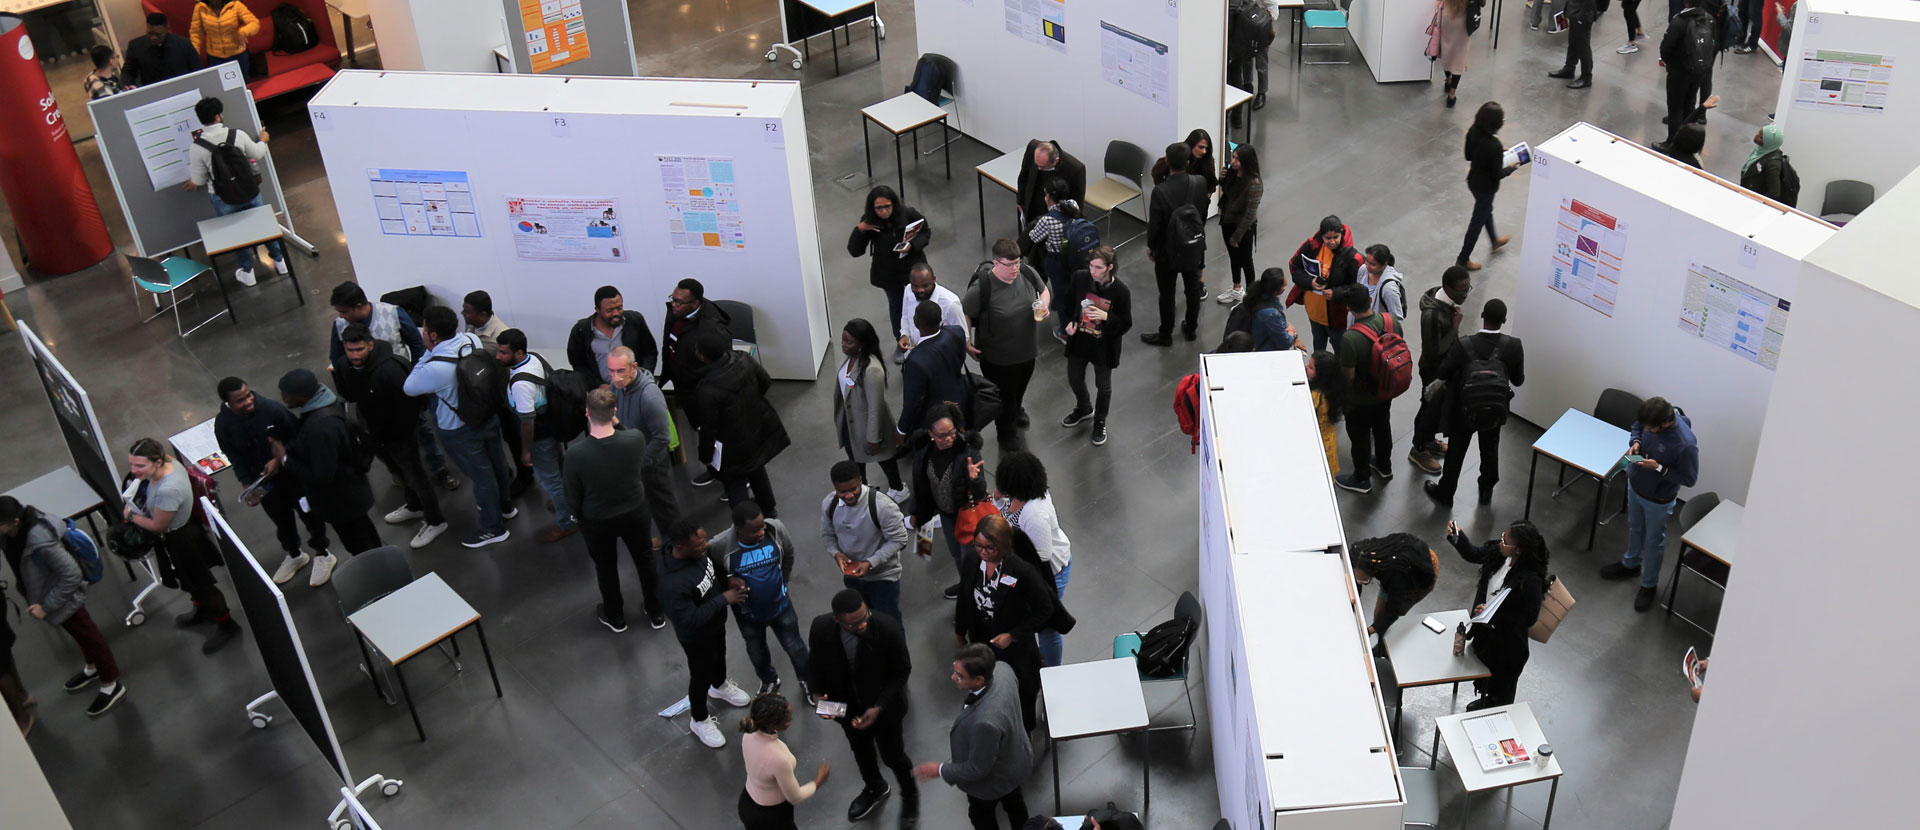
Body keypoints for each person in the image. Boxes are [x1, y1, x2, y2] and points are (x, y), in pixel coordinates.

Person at [0, 497, 126, 717]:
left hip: (61, 597)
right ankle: (93, 667)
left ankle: (111, 682)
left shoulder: (40, 540)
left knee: (89, 635)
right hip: (47, 594)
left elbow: (71, 575)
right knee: (78, 633)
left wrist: (46, 607)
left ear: (15, 521)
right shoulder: (11, 534)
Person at [405, 307, 516, 548]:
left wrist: (426, 354)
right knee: (498, 463)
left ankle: (493, 528)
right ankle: (506, 506)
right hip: (487, 415)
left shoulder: (436, 367)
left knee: (481, 477)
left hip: (459, 429)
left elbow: (409, 386)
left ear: (433, 335)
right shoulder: (471, 339)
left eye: (425, 330)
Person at [332, 326, 448, 550]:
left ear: (371, 345)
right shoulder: (343, 366)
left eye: (359, 349)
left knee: (416, 475)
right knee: (397, 471)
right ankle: (414, 506)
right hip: (373, 432)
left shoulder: (391, 369)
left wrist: (396, 434)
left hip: (399, 434)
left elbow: (410, 407)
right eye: (350, 350)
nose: (354, 355)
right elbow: (348, 394)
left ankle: (436, 520)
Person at [808, 590, 917, 828]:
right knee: (860, 749)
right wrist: (816, 694)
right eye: (854, 623)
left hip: (884, 708)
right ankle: (875, 787)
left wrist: (879, 706)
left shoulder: (886, 628)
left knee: (893, 755)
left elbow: (902, 670)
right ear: (838, 620)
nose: (863, 623)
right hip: (846, 708)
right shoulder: (820, 627)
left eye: (864, 616)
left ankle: (910, 796)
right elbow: (814, 664)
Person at [125, 439, 243, 654]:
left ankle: (227, 624)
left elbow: (157, 524)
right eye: (132, 465)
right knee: (189, 579)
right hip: (185, 530)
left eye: (140, 466)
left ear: (158, 461)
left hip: (183, 539)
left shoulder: (167, 490)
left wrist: (132, 515)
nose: (134, 471)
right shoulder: (170, 463)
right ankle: (201, 610)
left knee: (203, 584)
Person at [214, 377, 337, 579]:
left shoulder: (272, 410)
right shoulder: (223, 425)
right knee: (281, 520)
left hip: (294, 477)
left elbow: (299, 438)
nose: (248, 402)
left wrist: (278, 460)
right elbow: (234, 455)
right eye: (240, 400)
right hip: (265, 483)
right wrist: (247, 483)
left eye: (248, 395)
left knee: (309, 514)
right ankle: (295, 555)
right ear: (227, 403)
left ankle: (323, 553)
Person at [566, 389, 665, 632]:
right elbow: (625, 433)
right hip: (635, 511)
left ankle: (615, 616)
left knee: (606, 566)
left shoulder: (576, 453)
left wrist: (578, 516)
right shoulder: (635, 439)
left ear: (587, 413)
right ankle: (656, 611)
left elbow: (572, 494)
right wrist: (617, 422)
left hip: (598, 519)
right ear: (615, 413)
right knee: (645, 560)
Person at [270, 369, 381, 573]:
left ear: (302, 395)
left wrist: (285, 459)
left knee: (360, 545)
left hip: (342, 501)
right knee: (367, 536)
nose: (283, 398)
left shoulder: (320, 428)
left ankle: (381, 582)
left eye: (287, 393)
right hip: (353, 491)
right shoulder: (327, 404)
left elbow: (321, 476)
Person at [912, 645, 1034, 830]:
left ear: (978, 680)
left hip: (991, 783)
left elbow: (977, 769)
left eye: (960, 676)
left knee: (981, 816)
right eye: (954, 670)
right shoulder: (1002, 669)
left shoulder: (985, 723)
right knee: (1015, 805)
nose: (953, 677)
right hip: (1015, 758)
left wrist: (940, 769)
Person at [658, 518, 754, 748]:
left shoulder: (698, 552)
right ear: (680, 547)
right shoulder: (671, 584)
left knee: (720, 654)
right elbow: (689, 619)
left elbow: (712, 567)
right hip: (696, 637)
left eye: (703, 540)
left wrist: (727, 581)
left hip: (715, 623)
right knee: (700, 675)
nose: (704, 546)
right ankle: (699, 719)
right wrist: (724, 599)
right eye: (699, 545)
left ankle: (719, 686)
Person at [954, 516, 1052, 733]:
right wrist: (960, 633)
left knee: (1023, 687)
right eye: (978, 546)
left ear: (1004, 545)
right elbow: (964, 597)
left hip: (1015, 645)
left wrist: (1013, 635)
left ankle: (1026, 729)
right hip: (982, 636)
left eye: (990, 547)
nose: (984, 552)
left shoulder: (1021, 571)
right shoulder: (972, 560)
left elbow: (1044, 609)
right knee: (987, 682)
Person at [1601, 396, 1700, 611]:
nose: (1646, 429)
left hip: (1658, 500)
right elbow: (1637, 426)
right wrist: (1636, 442)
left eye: (1650, 428)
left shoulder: (1685, 444)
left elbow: (1689, 479)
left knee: (1654, 541)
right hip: (1635, 486)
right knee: (1635, 527)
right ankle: (1631, 564)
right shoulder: (1653, 416)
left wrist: (1659, 468)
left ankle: (1649, 585)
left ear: (1665, 423)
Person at [1425, 299, 1526, 506]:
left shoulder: (1464, 344)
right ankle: (1486, 489)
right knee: (1490, 449)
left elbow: (1443, 372)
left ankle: (1446, 493)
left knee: (1456, 451)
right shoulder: (1513, 346)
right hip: (1495, 410)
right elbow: (1518, 380)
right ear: (1504, 320)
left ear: (1482, 315)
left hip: (1464, 410)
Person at [1445, 519, 1549, 709]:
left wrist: (1494, 612)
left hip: (1508, 643)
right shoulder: (1499, 553)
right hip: (1487, 632)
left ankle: (1494, 707)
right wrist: (1458, 538)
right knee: (1486, 671)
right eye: (1502, 537)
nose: (1501, 542)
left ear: (1518, 550)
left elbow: (1530, 618)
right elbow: (1474, 553)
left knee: (1502, 685)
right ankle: (1486, 698)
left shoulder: (1530, 580)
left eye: (1505, 541)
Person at [714, 502, 812, 700]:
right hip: (747, 613)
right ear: (738, 530)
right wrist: (727, 580)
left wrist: (784, 582)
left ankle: (808, 680)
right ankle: (769, 680)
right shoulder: (720, 545)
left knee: (796, 647)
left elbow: (789, 554)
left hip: (781, 606)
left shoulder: (776, 529)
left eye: (762, 527)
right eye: (754, 531)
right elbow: (712, 572)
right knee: (756, 651)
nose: (761, 532)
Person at [187, 97, 283, 287]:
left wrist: (192, 181)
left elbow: (198, 180)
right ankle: (280, 262)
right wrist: (263, 140)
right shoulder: (236, 135)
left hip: (224, 199)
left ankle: (248, 272)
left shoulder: (197, 147)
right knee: (264, 227)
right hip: (250, 191)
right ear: (218, 116)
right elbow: (257, 153)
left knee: (238, 235)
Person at [963, 240, 1049, 450]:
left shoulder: (1027, 273)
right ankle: (1006, 433)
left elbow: (1044, 290)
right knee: (1003, 396)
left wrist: (1044, 306)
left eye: (1017, 263)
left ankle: (1016, 409)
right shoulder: (982, 287)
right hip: (998, 358)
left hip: (1027, 350)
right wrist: (966, 341)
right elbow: (965, 313)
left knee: (1019, 388)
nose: (1014, 269)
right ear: (995, 263)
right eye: (1008, 265)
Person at [693, 330, 789, 516]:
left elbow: (709, 427)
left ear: (702, 356)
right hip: (756, 428)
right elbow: (765, 382)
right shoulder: (744, 359)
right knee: (757, 469)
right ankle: (768, 510)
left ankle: (747, 523)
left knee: (734, 482)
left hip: (731, 445)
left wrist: (706, 455)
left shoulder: (708, 389)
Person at [497, 329, 576, 543]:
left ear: (519, 353)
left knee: (551, 482)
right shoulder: (535, 358)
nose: (498, 356)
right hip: (552, 426)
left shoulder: (521, 385)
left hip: (539, 437)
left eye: (503, 353)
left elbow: (526, 422)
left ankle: (567, 522)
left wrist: (525, 451)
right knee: (559, 470)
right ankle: (568, 503)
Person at [994, 453, 1072, 668]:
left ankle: (1051, 671)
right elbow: (1007, 517)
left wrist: (1011, 579)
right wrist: (999, 498)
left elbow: (1042, 557)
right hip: (1029, 566)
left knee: (1048, 627)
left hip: (1050, 573)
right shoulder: (1022, 495)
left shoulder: (1034, 515)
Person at [910, 404, 989, 600]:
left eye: (951, 433)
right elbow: (920, 484)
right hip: (946, 515)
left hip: (966, 513)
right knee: (956, 553)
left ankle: (975, 595)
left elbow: (980, 494)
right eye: (941, 435)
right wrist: (916, 511)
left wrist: (974, 478)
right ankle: (966, 585)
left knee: (969, 556)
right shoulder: (924, 452)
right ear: (931, 434)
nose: (948, 439)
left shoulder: (967, 452)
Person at [607, 346, 682, 548]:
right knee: (647, 502)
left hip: (651, 462)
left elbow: (662, 437)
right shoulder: (617, 386)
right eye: (611, 371)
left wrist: (641, 463)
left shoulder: (649, 396)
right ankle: (668, 538)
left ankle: (677, 544)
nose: (616, 377)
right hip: (632, 457)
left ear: (634, 367)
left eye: (621, 371)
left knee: (664, 505)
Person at [661, 278, 733, 486]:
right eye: (673, 299)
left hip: (702, 390)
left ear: (696, 303)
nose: (674, 304)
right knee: (701, 429)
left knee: (718, 434)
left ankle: (732, 476)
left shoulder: (712, 328)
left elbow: (722, 363)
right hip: (684, 386)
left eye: (680, 302)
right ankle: (714, 469)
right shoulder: (677, 313)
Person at [1335, 285, 1406, 494]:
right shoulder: (1390, 321)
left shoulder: (1351, 338)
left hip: (1361, 399)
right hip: (1387, 390)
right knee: (1382, 426)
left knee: (1360, 437)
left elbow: (1349, 377)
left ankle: (1361, 478)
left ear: (1349, 308)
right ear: (1370, 298)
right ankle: (1384, 466)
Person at [822, 462, 911, 627]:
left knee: (889, 623)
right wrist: (836, 553)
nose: (848, 495)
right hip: (852, 577)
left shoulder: (883, 506)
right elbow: (828, 534)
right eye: (842, 491)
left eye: (853, 489)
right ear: (835, 487)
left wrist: (870, 563)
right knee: (862, 623)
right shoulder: (829, 504)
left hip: (883, 578)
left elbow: (899, 539)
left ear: (861, 480)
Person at [1061, 246, 1132, 446]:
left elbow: (1126, 324)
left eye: (1098, 267)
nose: (1093, 271)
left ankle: (1100, 420)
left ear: (1110, 267)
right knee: (1074, 377)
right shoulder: (1080, 278)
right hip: (1080, 341)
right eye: (1091, 266)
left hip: (1103, 347)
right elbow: (1067, 304)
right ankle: (1084, 407)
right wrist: (1069, 322)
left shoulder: (1121, 292)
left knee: (1104, 386)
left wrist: (1107, 317)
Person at [1141, 142, 1209, 346]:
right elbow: (1202, 213)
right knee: (1193, 288)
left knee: (1167, 293)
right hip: (1194, 245)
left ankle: (1165, 334)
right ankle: (1191, 329)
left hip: (1167, 251)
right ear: (1188, 163)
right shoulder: (1200, 182)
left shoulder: (1160, 191)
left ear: (1167, 161)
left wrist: (1153, 248)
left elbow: (1155, 226)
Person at [1409, 266, 1473, 475]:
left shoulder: (1446, 301)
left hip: (1445, 368)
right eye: (1462, 290)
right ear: (1448, 288)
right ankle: (1419, 449)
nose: (1465, 294)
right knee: (1428, 408)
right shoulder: (1432, 315)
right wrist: (1455, 326)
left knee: (1437, 408)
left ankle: (1428, 441)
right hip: (1434, 370)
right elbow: (1433, 351)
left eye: (1467, 288)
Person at [848, 186, 932, 345]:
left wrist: (912, 245)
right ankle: (901, 340)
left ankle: (926, 336)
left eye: (887, 206)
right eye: (879, 208)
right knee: (897, 307)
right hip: (888, 274)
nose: (884, 211)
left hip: (913, 270)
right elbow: (855, 251)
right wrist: (860, 230)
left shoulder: (908, 214)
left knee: (921, 303)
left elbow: (925, 232)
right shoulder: (869, 222)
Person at [837, 319, 908, 499]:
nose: (843, 345)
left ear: (862, 344)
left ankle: (898, 489)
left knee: (884, 458)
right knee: (856, 461)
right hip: (850, 424)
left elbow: (875, 409)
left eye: (848, 342)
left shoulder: (871, 370)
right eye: (843, 340)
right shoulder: (852, 359)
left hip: (867, 427)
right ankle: (862, 490)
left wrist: (873, 438)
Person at [738, 693, 829, 830]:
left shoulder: (748, 733)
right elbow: (795, 797)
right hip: (772, 818)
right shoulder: (778, 759)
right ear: (773, 723)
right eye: (788, 718)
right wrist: (817, 782)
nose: (792, 718)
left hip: (747, 803)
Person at [1288, 215, 1363, 353]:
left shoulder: (1352, 258)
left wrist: (1337, 293)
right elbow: (1295, 266)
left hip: (1337, 318)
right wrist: (1310, 282)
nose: (1332, 242)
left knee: (1340, 352)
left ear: (1341, 234)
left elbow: (1359, 288)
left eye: (1335, 237)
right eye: (1327, 238)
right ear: (1321, 236)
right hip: (1314, 313)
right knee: (1318, 349)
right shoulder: (1311, 246)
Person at [895, 303, 970, 440]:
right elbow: (960, 358)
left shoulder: (916, 361)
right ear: (940, 319)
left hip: (936, 412)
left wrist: (902, 430)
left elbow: (913, 400)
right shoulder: (956, 332)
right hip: (960, 397)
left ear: (916, 322)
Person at [1459, 103, 1518, 271]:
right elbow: (1496, 174)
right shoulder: (1494, 145)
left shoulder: (1473, 131)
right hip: (1486, 188)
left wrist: (1494, 156)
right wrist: (1511, 168)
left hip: (1473, 181)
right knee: (1476, 223)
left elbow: (1468, 156)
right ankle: (1463, 259)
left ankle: (1494, 241)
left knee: (1486, 211)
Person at [566, 285, 658, 389]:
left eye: (619, 308)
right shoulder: (581, 330)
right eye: (609, 311)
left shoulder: (635, 321)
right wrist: (597, 385)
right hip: (602, 394)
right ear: (597, 309)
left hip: (634, 389)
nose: (616, 313)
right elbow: (578, 364)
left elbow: (650, 352)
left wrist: (641, 379)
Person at [1350, 533, 1439, 640]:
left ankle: (1383, 645)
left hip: (1419, 577)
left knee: (1385, 617)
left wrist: (1367, 631)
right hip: (1405, 559)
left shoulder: (1397, 577)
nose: (1359, 583)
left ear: (1373, 570)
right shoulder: (1361, 553)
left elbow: (1393, 612)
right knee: (1379, 614)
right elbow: (1355, 583)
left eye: (1364, 581)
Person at [1025, 178, 1083, 338]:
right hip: (1075, 257)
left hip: (1057, 261)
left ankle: (1065, 332)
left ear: (1048, 197)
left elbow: (1034, 237)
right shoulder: (1073, 204)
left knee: (1061, 291)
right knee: (1072, 287)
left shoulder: (1048, 220)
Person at [1661, 2, 1723, 146]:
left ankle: (1672, 144)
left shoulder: (1679, 21)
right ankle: (1686, 142)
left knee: (1675, 108)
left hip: (1679, 71)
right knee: (1689, 105)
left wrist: (1671, 63)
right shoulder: (1710, 19)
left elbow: (1666, 49)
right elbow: (1715, 44)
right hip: (1699, 71)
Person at [328, 281, 426, 365]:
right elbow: (336, 358)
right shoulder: (339, 324)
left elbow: (417, 344)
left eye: (344, 312)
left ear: (358, 306)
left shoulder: (393, 313)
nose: (340, 316)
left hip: (397, 376)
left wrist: (414, 371)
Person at [1215, 144, 1264, 304]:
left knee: (1246, 261)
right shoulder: (1233, 173)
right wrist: (1222, 179)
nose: (1233, 161)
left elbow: (1250, 214)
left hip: (1243, 228)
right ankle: (1237, 289)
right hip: (1228, 221)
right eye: (1234, 157)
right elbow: (1228, 193)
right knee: (1233, 257)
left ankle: (1250, 298)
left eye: (1237, 159)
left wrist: (1236, 236)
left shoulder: (1254, 183)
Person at [897, 263, 966, 366]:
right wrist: (904, 335)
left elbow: (962, 336)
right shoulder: (908, 290)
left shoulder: (951, 303)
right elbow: (906, 316)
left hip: (940, 362)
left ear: (934, 279)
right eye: (915, 286)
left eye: (925, 285)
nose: (920, 290)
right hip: (914, 357)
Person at [1014, 139, 1086, 231]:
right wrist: (1020, 201)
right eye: (1037, 165)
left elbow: (1078, 201)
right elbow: (1023, 175)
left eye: (1042, 166)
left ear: (1056, 160)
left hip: (1056, 219)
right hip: (1031, 206)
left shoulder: (1075, 169)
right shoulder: (1032, 147)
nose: (1038, 168)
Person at [123, 12, 202, 86]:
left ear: (167, 29)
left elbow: (198, 69)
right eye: (150, 33)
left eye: (158, 34)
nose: (153, 38)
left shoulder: (184, 44)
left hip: (182, 88)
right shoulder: (136, 46)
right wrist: (129, 86)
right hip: (153, 91)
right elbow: (128, 72)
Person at [189, 0, 260, 79]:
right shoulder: (200, 8)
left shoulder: (235, 5)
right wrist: (194, 53)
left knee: (242, 82)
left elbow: (254, 23)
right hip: (215, 56)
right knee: (221, 86)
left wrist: (243, 32)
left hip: (238, 53)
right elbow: (196, 33)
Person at [1307, 351, 1349, 477]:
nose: (1306, 367)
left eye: (1310, 367)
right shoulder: (1334, 390)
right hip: (1329, 437)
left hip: (1316, 442)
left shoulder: (1315, 397)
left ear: (1321, 375)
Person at [1149, 129, 1220, 196]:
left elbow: (1211, 184)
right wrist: (1165, 191)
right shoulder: (1178, 153)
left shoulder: (1207, 160)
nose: (1204, 151)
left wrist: (1205, 201)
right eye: (1201, 147)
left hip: (1197, 202)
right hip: (1175, 199)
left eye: (1206, 148)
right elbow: (1156, 172)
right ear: (1192, 144)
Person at [1547, 0, 1598, 89]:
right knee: (1573, 40)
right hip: (1574, 8)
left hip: (1584, 11)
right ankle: (1569, 68)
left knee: (1583, 45)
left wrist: (1583, 14)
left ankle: (1586, 76)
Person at [1437, 0, 1475, 108]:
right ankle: (1452, 95)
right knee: (1459, 57)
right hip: (1463, 19)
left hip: (1447, 15)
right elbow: (1482, 3)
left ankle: (1448, 81)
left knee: (1447, 50)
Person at [1739, 124, 1790, 204]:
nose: (1756, 136)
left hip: (1753, 200)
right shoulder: (1762, 149)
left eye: (1761, 137)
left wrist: (1758, 203)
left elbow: (1774, 193)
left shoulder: (1773, 165)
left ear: (1769, 142)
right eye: (1759, 132)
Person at [1358, 245, 1408, 322]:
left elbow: (1396, 319)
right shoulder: (1363, 270)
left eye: (1373, 264)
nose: (1368, 266)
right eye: (1366, 262)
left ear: (1384, 264)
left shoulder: (1389, 289)